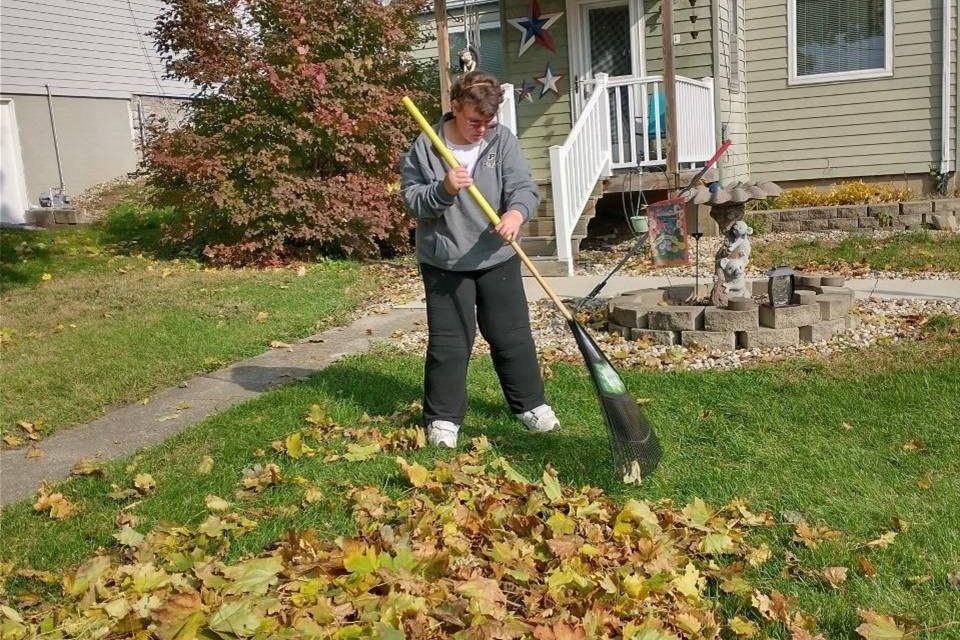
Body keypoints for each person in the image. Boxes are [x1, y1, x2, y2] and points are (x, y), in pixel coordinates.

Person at [400, 71, 560, 449]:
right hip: (446, 261)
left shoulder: (501, 140)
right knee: (450, 343)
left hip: (497, 255)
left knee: (512, 336)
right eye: (474, 122)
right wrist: (444, 189)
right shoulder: (426, 146)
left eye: (488, 123)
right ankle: (442, 418)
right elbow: (413, 201)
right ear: (455, 108)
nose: (481, 130)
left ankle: (529, 406)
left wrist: (516, 214)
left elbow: (524, 187)